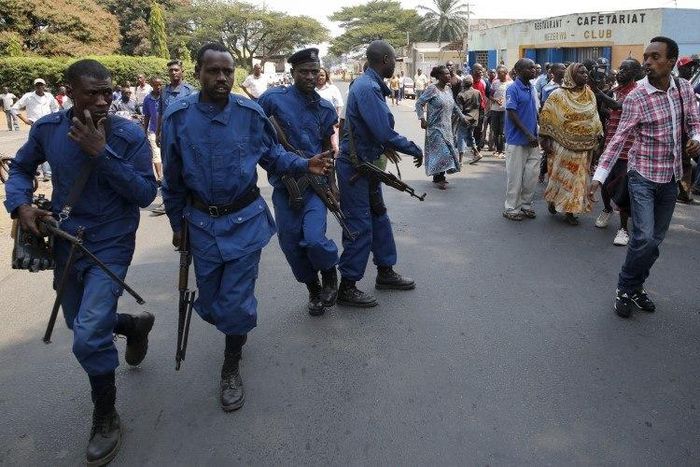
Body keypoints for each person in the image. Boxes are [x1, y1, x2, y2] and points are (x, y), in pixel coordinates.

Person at [161, 43, 333, 411]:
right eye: (213, 71)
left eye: (227, 71)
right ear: (198, 72)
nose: (222, 78)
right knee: (209, 302)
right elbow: (172, 181)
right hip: (201, 225)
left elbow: (271, 155)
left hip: (244, 222)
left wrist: (305, 165)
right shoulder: (177, 117)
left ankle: (230, 365)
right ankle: (234, 329)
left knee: (236, 303)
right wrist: (177, 224)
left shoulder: (250, 113)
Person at [4, 59, 157, 465]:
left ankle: (105, 416)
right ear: (68, 91)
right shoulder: (48, 129)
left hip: (110, 243)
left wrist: (102, 154)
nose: (105, 99)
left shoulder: (127, 134)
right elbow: (20, 168)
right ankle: (133, 325)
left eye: (108, 91)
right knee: (80, 322)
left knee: (88, 333)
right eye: (93, 92)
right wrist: (20, 206)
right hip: (65, 242)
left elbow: (144, 193)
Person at [589, 36, 700, 318]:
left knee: (654, 242)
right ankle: (624, 289)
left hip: (671, 178)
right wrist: (599, 175)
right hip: (642, 177)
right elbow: (617, 139)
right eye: (646, 57)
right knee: (643, 238)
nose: (647, 62)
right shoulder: (637, 96)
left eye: (654, 57)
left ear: (672, 61)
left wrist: (696, 138)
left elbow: (694, 122)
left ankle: (636, 288)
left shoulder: (685, 89)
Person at [336, 39, 423, 307]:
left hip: (367, 165)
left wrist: (383, 146)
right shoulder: (367, 87)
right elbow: (383, 131)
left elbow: (371, 131)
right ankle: (347, 287)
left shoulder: (370, 85)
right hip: (355, 168)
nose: (395, 65)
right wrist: (413, 148)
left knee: (379, 218)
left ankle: (385, 271)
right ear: (385, 59)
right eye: (395, 60)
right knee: (359, 225)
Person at [258, 48, 339, 316]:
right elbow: (256, 138)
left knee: (315, 240)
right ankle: (313, 290)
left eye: (314, 72)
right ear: (292, 72)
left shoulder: (325, 108)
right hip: (285, 188)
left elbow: (328, 152)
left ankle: (329, 273)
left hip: (315, 188)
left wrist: (333, 186)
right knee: (291, 245)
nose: (310, 76)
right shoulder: (271, 100)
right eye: (303, 71)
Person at [540, 63, 603, 225]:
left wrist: (598, 138)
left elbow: (594, 117)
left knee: (577, 180)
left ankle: (570, 211)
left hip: (584, 148)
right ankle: (553, 200)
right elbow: (546, 117)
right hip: (561, 146)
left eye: (586, 72)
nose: (585, 75)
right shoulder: (558, 95)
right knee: (561, 178)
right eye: (581, 72)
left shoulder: (589, 94)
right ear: (572, 75)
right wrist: (545, 140)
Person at [592, 59, 643, 246]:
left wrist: (598, 92)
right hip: (610, 147)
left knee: (623, 191)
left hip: (627, 151)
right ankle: (606, 210)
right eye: (620, 68)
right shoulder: (616, 90)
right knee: (604, 184)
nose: (620, 72)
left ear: (636, 73)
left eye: (626, 69)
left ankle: (623, 229)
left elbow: (617, 106)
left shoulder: (635, 92)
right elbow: (609, 110)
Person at [415, 65, 468, 189]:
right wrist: (422, 119)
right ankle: (440, 178)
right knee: (442, 152)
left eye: (449, 74)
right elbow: (419, 103)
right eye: (445, 74)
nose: (449, 76)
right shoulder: (432, 89)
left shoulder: (448, 90)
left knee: (446, 151)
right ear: (439, 76)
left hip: (447, 127)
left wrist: (462, 117)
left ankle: (438, 176)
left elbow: (454, 106)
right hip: (435, 127)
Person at [502, 59, 540, 221]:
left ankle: (526, 205)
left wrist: (537, 133)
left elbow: (534, 112)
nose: (534, 70)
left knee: (532, 175)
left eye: (534, 67)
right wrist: (527, 134)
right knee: (515, 177)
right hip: (517, 140)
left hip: (532, 140)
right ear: (518, 70)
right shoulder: (512, 88)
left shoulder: (531, 87)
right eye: (530, 68)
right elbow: (512, 113)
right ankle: (511, 208)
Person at [12, 78, 60, 180]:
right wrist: (25, 120)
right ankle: (34, 169)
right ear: (35, 86)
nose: (40, 87)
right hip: (35, 124)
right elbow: (14, 108)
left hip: (48, 124)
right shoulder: (28, 96)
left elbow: (55, 108)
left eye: (41, 85)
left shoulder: (49, 96)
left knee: (48, 146)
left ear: (44, 86)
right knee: (34, 147)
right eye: (37, 85)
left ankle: (47, 173)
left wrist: (54, 119)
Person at [155, 59, 195, 146]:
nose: (173, 72)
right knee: (167, 159)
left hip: (184, 135)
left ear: (182, 72)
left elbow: (195, 116)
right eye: (171, 70)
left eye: (176, 70)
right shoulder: (164, 91)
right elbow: (161, 114)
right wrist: (158, 132)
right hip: (166, 134)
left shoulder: (190, 91)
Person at [538, 63, 566, 183]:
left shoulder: (569, 87)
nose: (564, 70)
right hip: (553, 125)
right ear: (553, 72)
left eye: (565, 68)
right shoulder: (547, 88)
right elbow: (544, 109)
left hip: (565, 126)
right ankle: (544, 173)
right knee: (550, 152)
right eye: (562, 68)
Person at [315, 67, 344, 153]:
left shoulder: (332, 89)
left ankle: (336, 164)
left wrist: (337, 119)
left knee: (334, 145)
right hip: (316, 122)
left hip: (331, 121)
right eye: (318, 75)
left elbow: (339, 105)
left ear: (326, 76)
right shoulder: (311, 89)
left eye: (322, 75)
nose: (320, 77)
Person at [455, 74, 482, 165]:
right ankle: (477, 153)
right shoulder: (477, 92)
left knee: (461, 138)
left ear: (463, 84)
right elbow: (479, 105)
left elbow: (459, 109)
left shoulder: (461, 95)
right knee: (470, 136)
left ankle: (460, 161)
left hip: (465, 119)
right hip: (474, 118)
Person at [142, 78, 163, 184]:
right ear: (152, 85)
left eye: (160, 85)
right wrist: (144, 130)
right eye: (156, 85)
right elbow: (147, 116)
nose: (158, 87)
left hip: (166, 130)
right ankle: (160, 177)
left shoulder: (165, 97)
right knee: (156, 152)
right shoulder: (147, 99)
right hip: (153, 130)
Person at [488, 65, 511, 157]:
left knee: (502, 131)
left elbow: (511, 97)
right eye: (498, 73)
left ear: (505, 73)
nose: (498, 74)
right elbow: (490, 95)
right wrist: (495, 100)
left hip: (504, 110)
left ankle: (502, 150)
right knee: (495, 130)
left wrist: (505, 100)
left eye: (500, 73)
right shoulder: (495, 83)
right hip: (495, 109)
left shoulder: (510, 84)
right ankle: (497, 149)